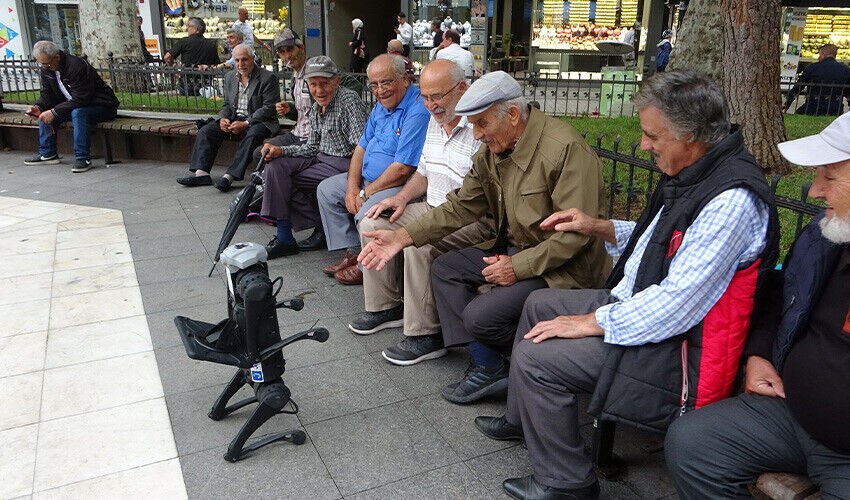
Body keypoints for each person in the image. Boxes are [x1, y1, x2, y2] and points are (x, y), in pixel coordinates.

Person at [472, 71, 779, 500]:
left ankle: (567, 482)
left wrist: (589, 322)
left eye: (652, 135)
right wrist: (596, 225)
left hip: (683, 347)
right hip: (644, 303)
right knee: (539, 304)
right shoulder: (698, 171)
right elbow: (662, 237)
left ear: (689, 136)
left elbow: (677, 304)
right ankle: (523, 418)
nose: (642, 145)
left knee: (535, 357)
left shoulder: (730, 199)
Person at [358, 71, 610, 403]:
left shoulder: (564, 149)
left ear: (514, 115)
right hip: (516, 249)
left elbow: (574, 238)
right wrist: (402, 237)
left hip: (563, 269)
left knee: (481, 314)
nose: (476, 134)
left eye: (481, 124)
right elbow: (460, 206)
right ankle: (489, 365)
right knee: (445, 268)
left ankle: (517, 367)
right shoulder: (496, 147)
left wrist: (516, 267)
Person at [664, 111, 850, 499]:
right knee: (692, 442)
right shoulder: (825, 237)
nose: (814, 190)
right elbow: (779, 295)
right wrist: (760, 354)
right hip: (792, 413)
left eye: (829, 177)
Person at [351, 59, 493, 365]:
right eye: (425, 97)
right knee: (373, 221)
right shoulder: (435, 121)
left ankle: (427, 334)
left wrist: (416, 226)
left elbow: (471, 203)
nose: (431, 105)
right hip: (433, 207)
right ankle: (385, 306)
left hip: (470, 219)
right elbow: (424, 173)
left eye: (438, 96)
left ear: (462, 89)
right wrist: (401, 198)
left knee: (417, 242)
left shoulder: (477, 130)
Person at [316, 54, 430, 285]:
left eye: (386, 82)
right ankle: (354, 250)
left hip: (399, 185)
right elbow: (360, 148)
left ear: (405, 79)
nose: (380, 90)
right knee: (327, 190)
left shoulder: (416, 110)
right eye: (374, 85)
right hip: (370, 180)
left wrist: (363, 194)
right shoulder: (381, 106)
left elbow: (402, 169)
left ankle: (364, 265)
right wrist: (351, 188)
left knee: (366, 211)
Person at [259, 56, 367, 259]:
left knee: (282, 176)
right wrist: (281, 151)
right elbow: (312, 147)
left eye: (325, 83)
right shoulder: (318, 105)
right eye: (313, 84)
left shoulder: (348, 101)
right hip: (321, 159)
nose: (319, 90)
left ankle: (319, 227)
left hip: (345, 164)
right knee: (276, 169)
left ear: (336, 81)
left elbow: (360, 148)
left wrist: (354, 183)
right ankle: (286, 237)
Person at [176, 44, 279, 192]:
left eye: (244, 60)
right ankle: (201, 174)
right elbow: (226, 104)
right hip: (235, 117)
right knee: (207, 130)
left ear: (253, 59)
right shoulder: (230, 76)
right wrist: (223, 118)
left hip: (260, 121)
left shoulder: (268, 78)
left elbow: (269, 108)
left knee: (253, 134)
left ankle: (230, 176)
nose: (240, 64)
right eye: (237, 60)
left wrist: (245, 123)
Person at [23, 40, 119, 173]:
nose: (43, 67)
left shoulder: (75, 66)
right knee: (45, 113)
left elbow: (81, 99)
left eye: (46, 63)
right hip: (75, 106)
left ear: (56, 57)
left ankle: (82, 158)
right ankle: (47, 153)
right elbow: (47, 94)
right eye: (41, 63)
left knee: (78, 113)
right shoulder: (47, 69)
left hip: (101, 106)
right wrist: (38, 107)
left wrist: (55, 111)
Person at [784, 44, 850, 116]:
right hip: (835, 110)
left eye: (820, 55)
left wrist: (787, 103)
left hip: (812, 107)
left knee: (796, 116)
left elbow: (798, 87)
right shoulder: (845, 70)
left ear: (824, 54)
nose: (818, 58)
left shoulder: (812, 68)